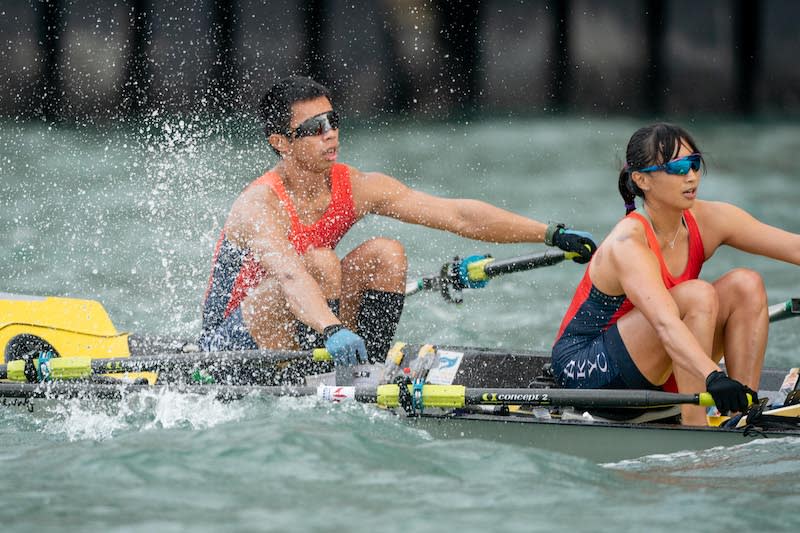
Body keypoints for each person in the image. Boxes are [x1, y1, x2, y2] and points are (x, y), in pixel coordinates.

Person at [199, 75, 597, 367]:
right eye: (314, 129)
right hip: (231, 345)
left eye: (333, 121)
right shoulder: (260, 203)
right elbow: (289, 276)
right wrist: (331, 329)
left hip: (314, 323)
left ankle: (360, 368)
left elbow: (455, 215)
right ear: (281, 143)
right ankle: (314, 365)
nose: (331, 135)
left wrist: (549, 233)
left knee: (386, 254)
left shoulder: (353, 187)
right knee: (319, 262)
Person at [552, 122, 800, 426]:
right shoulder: (628, 241)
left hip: (660, 361)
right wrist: (712, 376)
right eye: (679, 167)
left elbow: (795, 248)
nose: (692, 175)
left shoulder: (707, 219)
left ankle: (742, 413)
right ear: (642, 179)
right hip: (589, 373)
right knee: (697, 296)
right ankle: (694, 430)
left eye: (695, 164)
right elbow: (665, 322)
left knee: (746, 285)